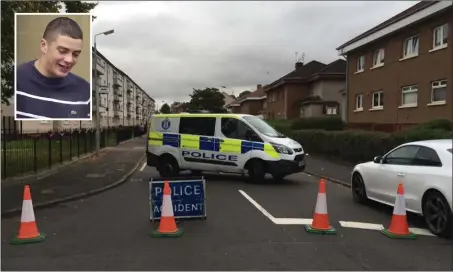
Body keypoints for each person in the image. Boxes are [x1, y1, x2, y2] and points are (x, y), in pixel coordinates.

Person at [15, 16, 91, 119]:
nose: (69, 60)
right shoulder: (17, 79)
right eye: (62, 51)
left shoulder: (85, 91)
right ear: (44, 46)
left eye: (76, 54)